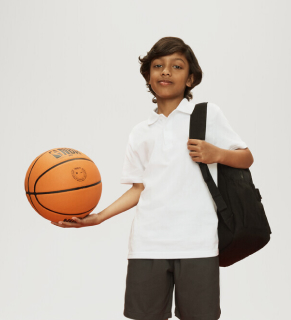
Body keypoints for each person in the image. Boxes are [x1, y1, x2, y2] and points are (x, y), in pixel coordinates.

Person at [51, 36, 254, 320]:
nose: (166, 71)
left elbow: (246, 157)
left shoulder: (207, 115)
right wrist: (98, 217)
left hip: (197, 242)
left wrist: (216, 153)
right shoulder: (140, 131)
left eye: (177, 66)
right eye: (158, 65)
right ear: (149, 76)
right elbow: (139, 189)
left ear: (191, 78)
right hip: (148, 243)